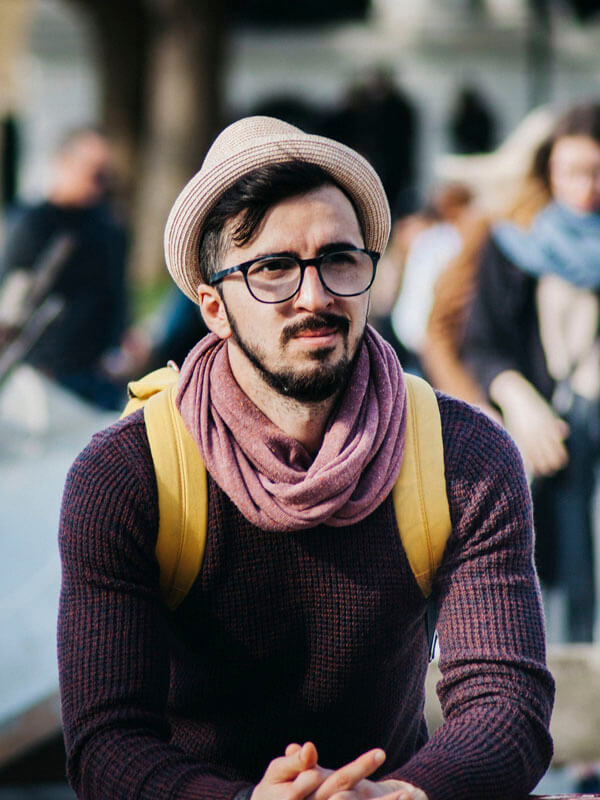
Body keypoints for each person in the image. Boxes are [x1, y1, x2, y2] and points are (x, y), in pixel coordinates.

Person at [57, 116, 554, 800]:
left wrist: (399, 795)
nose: (315, 297)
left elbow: (507, 707)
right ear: (213, 307)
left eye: (339, 260)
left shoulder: (463, 456)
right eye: (273, 269)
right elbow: (105, 742)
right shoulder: (128, 473)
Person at [463, 102, 600, 643]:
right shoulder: (513, 242)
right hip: (536, 440)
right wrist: (517, 398)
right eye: (572, 171)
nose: (585, 188)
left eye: (596, 172)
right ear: (549, 171)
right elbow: (479, 340)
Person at [0, 126, 128, 409]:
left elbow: (117, 296)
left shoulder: (108, 227)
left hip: (97, 377)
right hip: (41, 377)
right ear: (63, 163)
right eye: (92, 171)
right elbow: (11, 299)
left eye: (104, 173)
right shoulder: (31, 224)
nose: (100, 182)